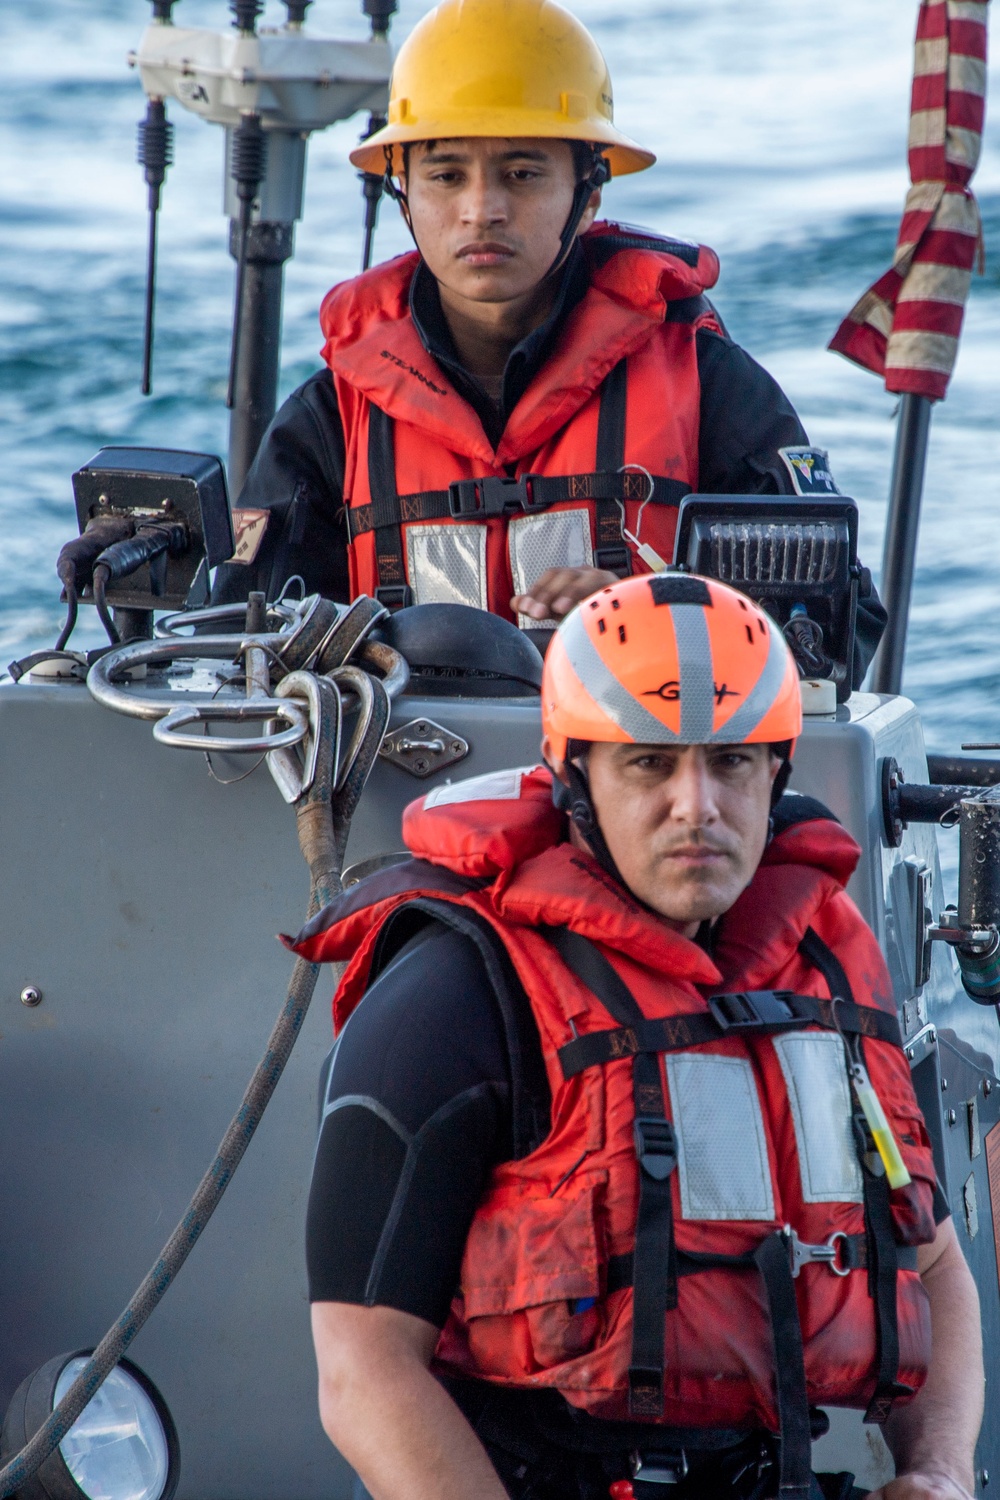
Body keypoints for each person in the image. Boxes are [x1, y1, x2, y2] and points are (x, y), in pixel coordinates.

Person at [291, 574, 982, 1500]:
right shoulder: (457, 992)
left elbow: (932, 1263)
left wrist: (937, 1472)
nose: (696, 804)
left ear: (778, 769)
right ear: (574, 773)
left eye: (731, 761)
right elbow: (364, 1368)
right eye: (649, 763)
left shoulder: (825, 969)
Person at [210, 0, 885, 684]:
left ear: (589, 195)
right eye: (447, 175)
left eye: (523, 174)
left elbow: (836, 639)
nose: (483, 209)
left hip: (640, 784)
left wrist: (656, 616)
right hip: (395, 784)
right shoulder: (332, 421)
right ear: (402, 192)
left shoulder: (709, 386)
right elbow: (244, 652)